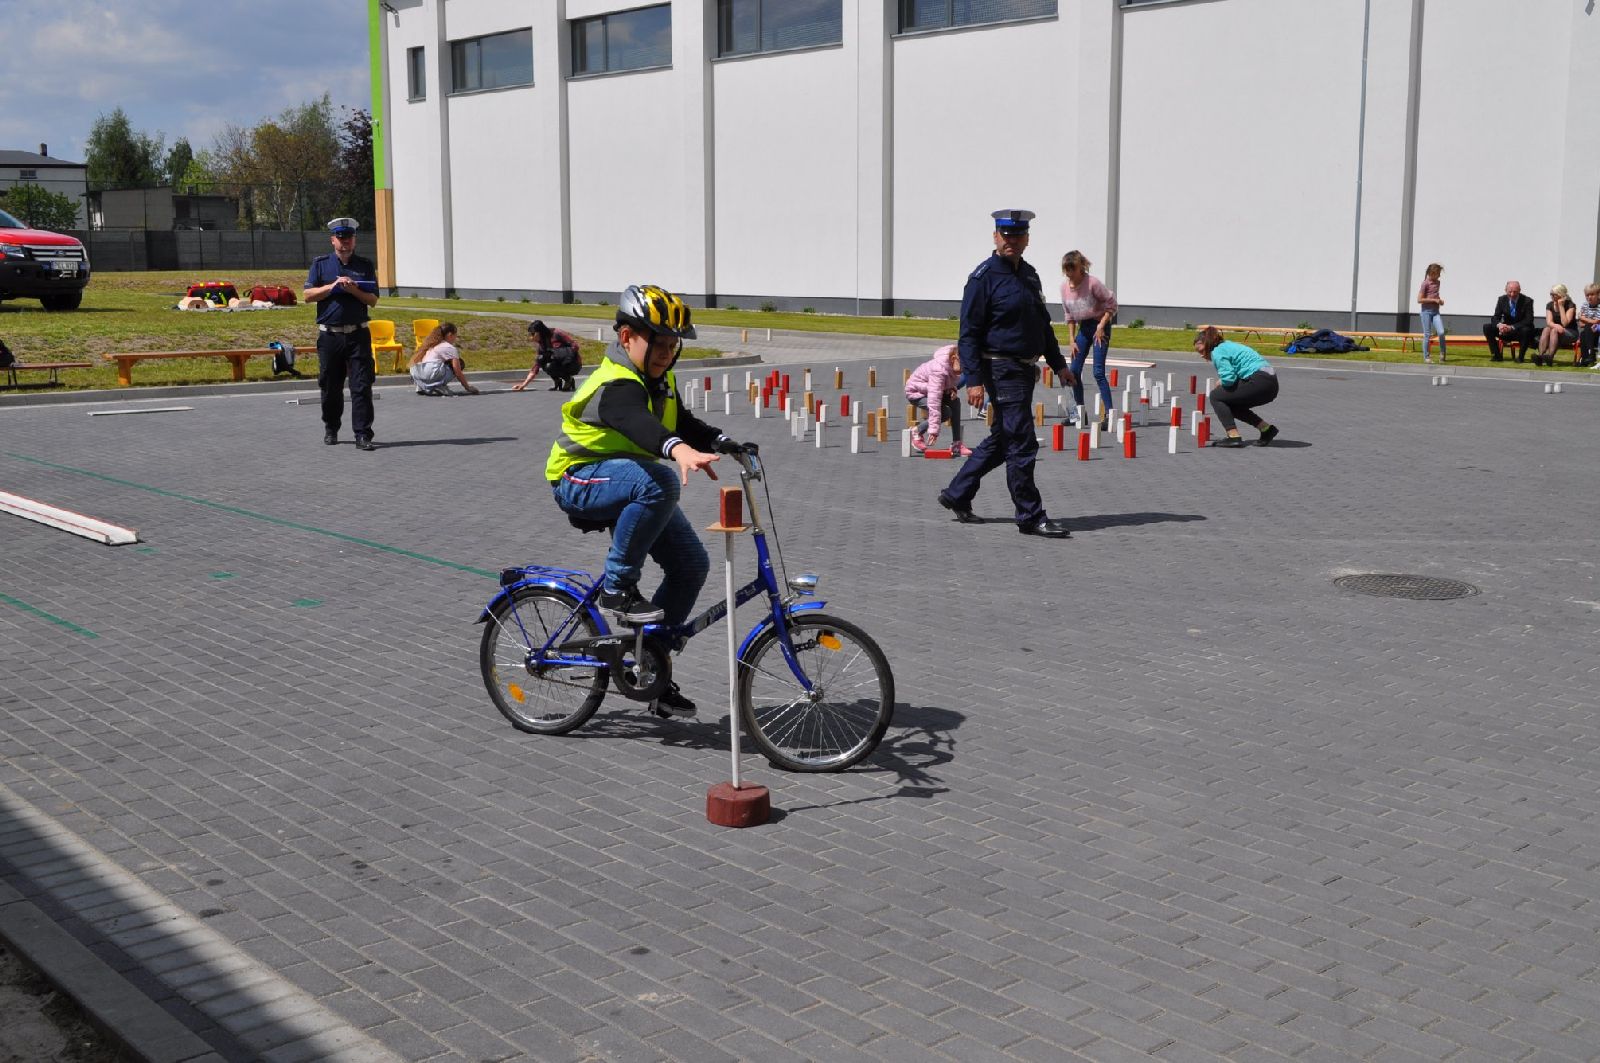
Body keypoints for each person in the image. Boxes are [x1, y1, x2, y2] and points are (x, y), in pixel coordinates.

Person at [546, 284, 744, 718]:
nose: (667, 354)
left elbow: (679, 421)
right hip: (578, 478)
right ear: (627, 337)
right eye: (659, 344)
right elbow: (634, 419)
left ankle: (651, 668)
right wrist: (676, 449)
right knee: (661, 481)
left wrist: (720, 441)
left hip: (626, 481)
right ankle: (616, 588)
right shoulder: (616, 382)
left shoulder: (661, 380)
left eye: (673, 346)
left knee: (691, 566)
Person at [937, 209, 1076, 538]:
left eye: (1018, 235)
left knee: (1003, 440)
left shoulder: (1029, 275)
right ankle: (1030, 515)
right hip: (1000, 368)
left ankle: (957, 493)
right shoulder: (982, 278)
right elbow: (968, 335)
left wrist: (1059, 364)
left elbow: (1042, 326)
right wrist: (974, 380)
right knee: (1023, 442)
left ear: (1027, 239)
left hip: (1024, 370)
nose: (1012, 240)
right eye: (1006, 235)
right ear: (995, 237)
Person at [304, 217, 380, 450]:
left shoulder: (364, 265)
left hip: (358, 335)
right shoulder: (321, 264)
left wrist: (353, 289)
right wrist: (333, 287)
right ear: (333, 240)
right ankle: (331, 428)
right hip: (330, 336)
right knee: (330, 387)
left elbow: (373, 300)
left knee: (361, 386)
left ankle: (363, 435)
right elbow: (307, 296)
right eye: (340, 238)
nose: (345, 242)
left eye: (349, 237)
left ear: (354, 240)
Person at [1194, 325, 1280, 448]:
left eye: (1201, 351)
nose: (1201, 355)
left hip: (1259, 380)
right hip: (1270, 384)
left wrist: (1221, 382)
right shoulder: (1228, 345)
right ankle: (1266, 429)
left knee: (1215, 396)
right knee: (1230, 403)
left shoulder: (1217, 351)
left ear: (1208, 344)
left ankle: (1233, 437)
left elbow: (1229, 380)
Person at [1059, 250, 1117, 427]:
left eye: (1072, 269)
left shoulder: (1093, 283)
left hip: (1100, 326)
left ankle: (1109, 415)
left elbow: (1111, 304)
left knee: (1098, 372)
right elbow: (1069, 316)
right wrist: (1071, 340)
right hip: (1084, 328)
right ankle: (1079, 414)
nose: (1069, 274)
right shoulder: (1064, 288)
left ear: (1081, 268)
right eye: (1066, 269)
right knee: (1074, 370)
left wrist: (1101, 326)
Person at [905, 343, 971, 456]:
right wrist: (934, 431)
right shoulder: (938, 371)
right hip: (917, 392)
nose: (964, 369)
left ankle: (957, 443)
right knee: (945, 412)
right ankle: (916, 431)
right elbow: (934, 400)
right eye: (963, 365)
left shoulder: (953, 365)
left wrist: (952, 389)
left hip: (933, 390)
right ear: (954, 359)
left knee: (955, 402)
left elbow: (948, 382)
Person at [409, 322, 480, 395]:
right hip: (431, 372)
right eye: (455, 336)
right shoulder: (450, 348)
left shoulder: (431, 344)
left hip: (417, 373)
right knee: (460, 363)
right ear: (450, 335)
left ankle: (422, 387)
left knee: (441, 364)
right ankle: (439, 386)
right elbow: (458, 372)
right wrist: (468, 387)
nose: (455, 339)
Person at [514, 320, 583, 391]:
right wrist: (523, 385)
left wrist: (562, 355)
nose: (531, 337)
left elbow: (575, 346)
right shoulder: (542, 345)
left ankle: (568, 379)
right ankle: (557, 381)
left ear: (540, 332)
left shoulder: (557, 333)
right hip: (558, 363)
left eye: (533, 334)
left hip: (573, 363)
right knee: (542, 360)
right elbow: (536, 366)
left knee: (552, 361)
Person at [1481, 280, 1536, 363]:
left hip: (1520, 331)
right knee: (1487, 327)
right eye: (1510, 292)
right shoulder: (1501, 299)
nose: (1512, 294)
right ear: (1505, 290)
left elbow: (1529, 320)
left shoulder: (1527, 301)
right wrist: (1500, 325)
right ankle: (1496, 355)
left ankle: (1520, 357)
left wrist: (1512, 327)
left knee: (1526, 330)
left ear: (1519, 291)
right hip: (1505, 330)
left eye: (1515, 292)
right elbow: (1495, 317)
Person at [1534, 285, 1577, 367]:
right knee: (1546, 329)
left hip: (1570, 332)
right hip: (1556, 330)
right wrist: (1556, 326)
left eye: (1554, 294)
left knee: (1553, 330)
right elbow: (1549, 322)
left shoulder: (1570, 305)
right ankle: (1540, 356)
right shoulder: (1550, 305)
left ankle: (1550, 357)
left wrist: (1561, 306)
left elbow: (1565, 323)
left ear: (1561, 295)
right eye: (1551, 294)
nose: (1552, 296)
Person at [1416, 262, 1447, 363]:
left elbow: (1435, 295)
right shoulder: (1425, 283)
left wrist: (1439, 301)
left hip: (1435, 312)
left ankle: (1442, 354)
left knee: (1441, 332)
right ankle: (1426, 357)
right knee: (1427, 335)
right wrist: (1434, 300)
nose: (1439, 275)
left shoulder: (1438, 283)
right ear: (1432, 273)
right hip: (1426, 312)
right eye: (1438, 273)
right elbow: (1419, 300)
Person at [1577, 283, 1600, 368]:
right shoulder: (1585, 305)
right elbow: (1580, 324)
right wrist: (1590, 322)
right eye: (1587, 295)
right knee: (1583, 333)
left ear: (1598, 295)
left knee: (1587, 328)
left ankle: (1588, 356)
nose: (1589, 297)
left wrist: (1583, 318)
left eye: (1592, 294)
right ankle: (1587, 357)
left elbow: (1597, 321)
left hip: (1598, 332)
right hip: (1589, 332)